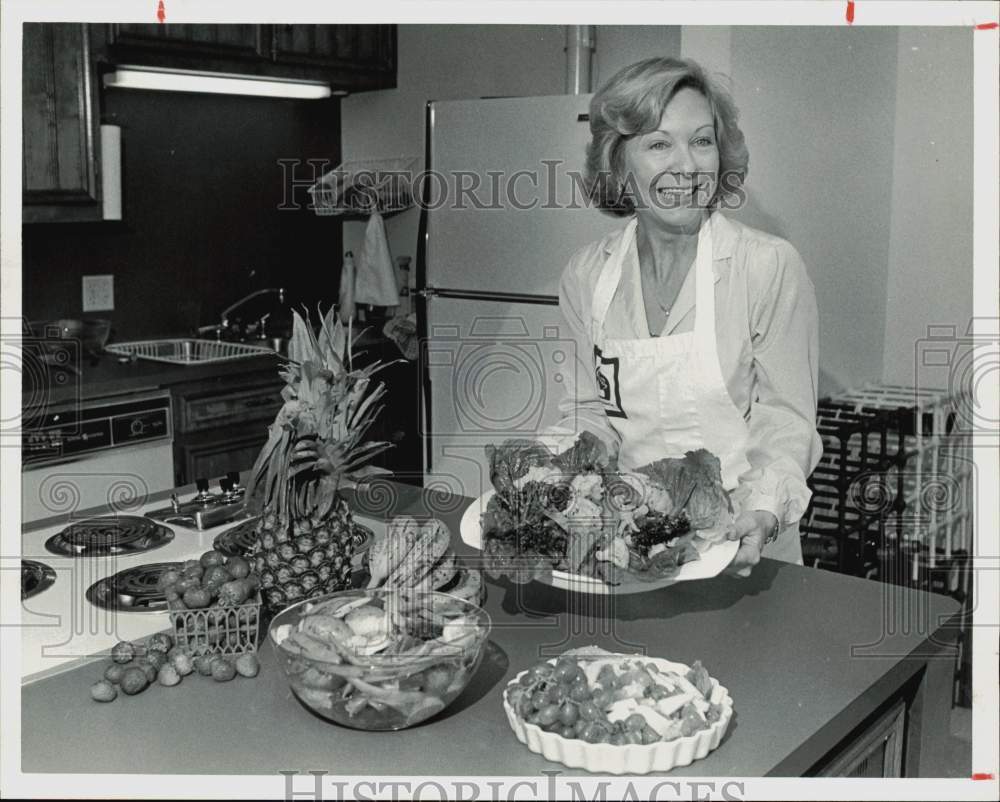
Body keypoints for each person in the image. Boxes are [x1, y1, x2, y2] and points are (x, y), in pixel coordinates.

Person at [556, 57, 823, 575]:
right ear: (619, 163)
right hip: (628, 550)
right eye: (659, 144)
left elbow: (787, 418)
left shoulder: (765, 266)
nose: (687, 166)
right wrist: (558, 473)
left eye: (701, 141)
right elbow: (587, 409)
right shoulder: (588, 275)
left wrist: (763, 509)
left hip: (745, 549)